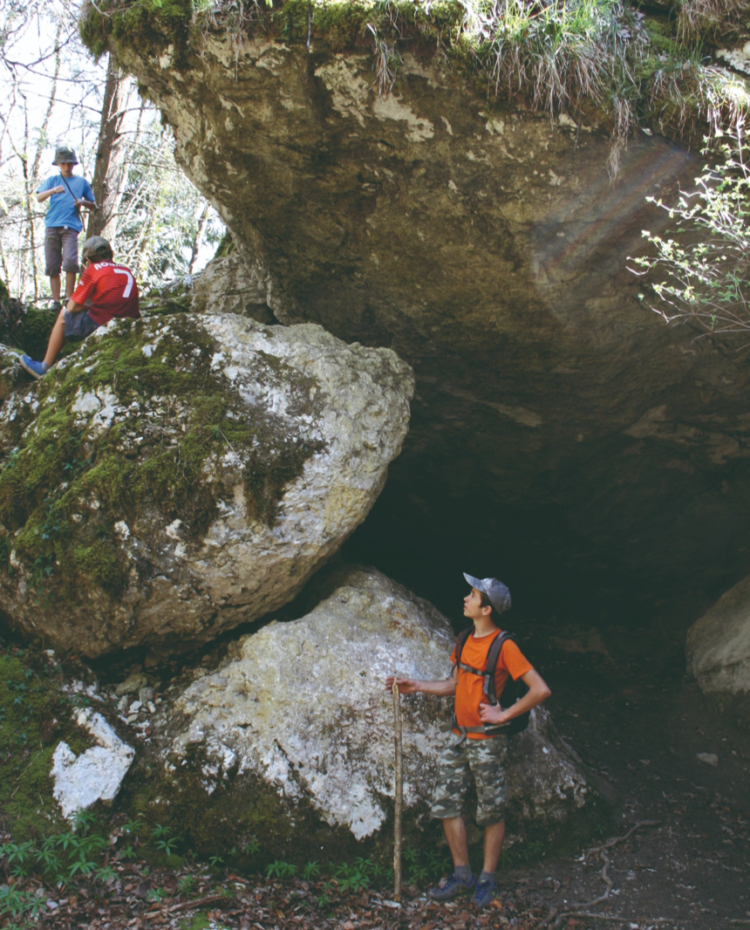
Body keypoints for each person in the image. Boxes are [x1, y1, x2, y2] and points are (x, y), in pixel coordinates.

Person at [385, 573, 551, 910]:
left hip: (487, 741)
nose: (465, 598)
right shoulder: (464, 640)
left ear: (486, 609)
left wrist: (504, 715)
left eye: (472, 595)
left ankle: (487, 878)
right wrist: (414, 685)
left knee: (491, 810)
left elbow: (540, 689)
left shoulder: (505, 646)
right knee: (446, 803)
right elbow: (455, 685)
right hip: (458, 737)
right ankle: (463, 875)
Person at [20, 236, 140, 379]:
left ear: (88, 261)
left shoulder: (93, 269)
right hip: (129, 321)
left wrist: (86, 307)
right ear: (110, 254)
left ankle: (44, 367)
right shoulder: (125, 269)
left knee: (64, 313)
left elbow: (71, 308)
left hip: (104, 322)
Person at [36, 146, 97, 311]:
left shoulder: (81, 182)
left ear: (74, 164)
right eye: (63, 163)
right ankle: (56, 301)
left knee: (70, 261)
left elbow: (94, 205)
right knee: (52, 264)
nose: (66, 166)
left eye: (69, 163)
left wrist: (82, 202)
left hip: (70, 226)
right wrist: (53, 191)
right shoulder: (52, 181)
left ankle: (69, 298)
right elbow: (39, 197)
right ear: (58, 164)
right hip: (52, 226)